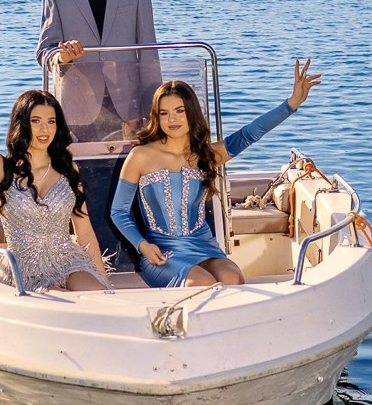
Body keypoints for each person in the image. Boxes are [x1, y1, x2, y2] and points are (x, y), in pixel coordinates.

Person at [0, 31, 112, 293]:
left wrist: (106, 285)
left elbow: (84, 232)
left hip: (68, 262)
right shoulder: (1, 171)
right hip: (23, 270)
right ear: (22, 125)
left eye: (51, 121)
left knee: (98, 295)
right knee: (55, 299)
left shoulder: (68, 170)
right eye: (36, 121)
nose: (44, 129)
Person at [111, 61, 322, 289]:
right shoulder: (140, 156)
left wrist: (291, 104)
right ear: (157, 117)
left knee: (232, 277)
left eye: (179, 111)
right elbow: (119, 211)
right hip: (161, 251)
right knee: (201, 284)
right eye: (164, 113)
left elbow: (250, 134)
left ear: (192, 113)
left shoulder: (207, 155)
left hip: (203, 246)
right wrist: (142, 245)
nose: (172, 120)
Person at [37, 0, 160, 267]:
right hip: (79, 106)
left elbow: (148, 49)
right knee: (87, 186)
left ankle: (133, 260)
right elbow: (44, 51)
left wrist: (150, 108)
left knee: (130, 183)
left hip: (128, 105)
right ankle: (95, 263)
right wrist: (62, 56)